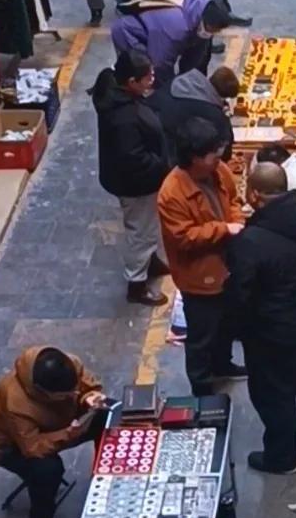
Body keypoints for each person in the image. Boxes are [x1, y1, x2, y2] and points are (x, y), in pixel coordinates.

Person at [225, 162, 296, 474]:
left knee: (274, 393)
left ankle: (281, 456)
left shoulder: (251, 241)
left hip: (272, 332)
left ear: (255, 195)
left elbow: (240, 295)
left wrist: (239, 328)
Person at [0, 348, 109, 518]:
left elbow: (85, 385)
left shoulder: (68, 363)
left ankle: (106, 474)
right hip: (16, 446)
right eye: (67, 394)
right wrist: (67, 434)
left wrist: (89, 396)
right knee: (47, 470)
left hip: (62, 423)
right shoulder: (15, 403)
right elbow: (32, 447)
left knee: (107, 414)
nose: (74, 393)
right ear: (44, 393)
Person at [157, 116, 246, 395]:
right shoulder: (172, 194)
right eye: (211, 154)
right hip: (199, 276)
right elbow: (184, 238)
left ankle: (223, 364)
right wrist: (224, 229)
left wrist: (236, 221)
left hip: (228, 266)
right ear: (193, 158)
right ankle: (201, 382)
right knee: (201, 335)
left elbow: (233, 200)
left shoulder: (219, 171)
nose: (217, 158)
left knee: (227, 325)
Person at [91, 49, 170, 307]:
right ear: (131, 82)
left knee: (147, 225)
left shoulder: (117, 95)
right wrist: (162, 165)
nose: (152, 81)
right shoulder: (124, 118)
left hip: (129, 177)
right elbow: (134, 159)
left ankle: (150, 261)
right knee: (142, 231)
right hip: (136, 184)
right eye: (147, 78)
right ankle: (137, 284)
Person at [111, 0, 231, 88]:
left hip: (154, 30)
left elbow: (194, 59)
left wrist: (187, 84)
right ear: (205, 21)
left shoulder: (201, 11)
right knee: (142, 74)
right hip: (129, 33)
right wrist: (171, 92)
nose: (212, 33)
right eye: (212, 29)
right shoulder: (177, 28)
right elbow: (160, 64)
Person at [148, 64, 236, 164]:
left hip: (147, 123)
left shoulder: (182, 80)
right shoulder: (214, 114)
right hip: (164, 150)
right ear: (223, 96)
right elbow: (225, 152)